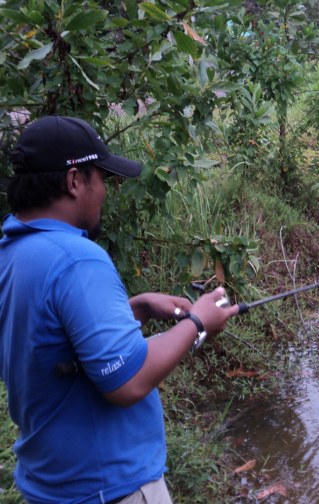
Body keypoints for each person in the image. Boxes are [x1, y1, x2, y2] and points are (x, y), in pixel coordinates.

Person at [0, 115, 238, 503]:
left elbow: (44, 346)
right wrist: (198, 323)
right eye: (102, 179)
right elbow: (126, 381)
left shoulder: (13, 253)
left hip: (50, 487)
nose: (105, 193)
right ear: (74, 181)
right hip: (110, 488)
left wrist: (136, 309)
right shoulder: (77, 260)